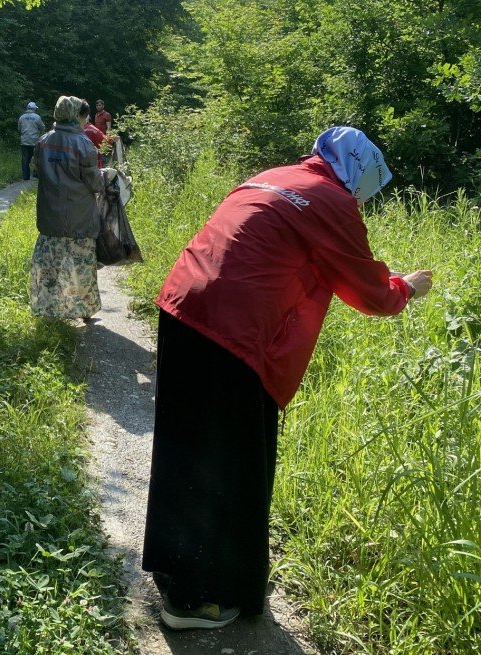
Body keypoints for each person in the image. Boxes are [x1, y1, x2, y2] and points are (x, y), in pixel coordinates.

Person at [141, 126, 433, 630]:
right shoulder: (331, 201)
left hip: (184, 308)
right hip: (233, 333)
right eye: (370, 181)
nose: (367, 194)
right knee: (233, 459)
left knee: (185, 444)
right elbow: (369, 292)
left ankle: (177, 573)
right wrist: (404, 287)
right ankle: (197, 600)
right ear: (357, 169)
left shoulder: (274, 177)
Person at [29, 96, 117, 320]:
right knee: (80, 267)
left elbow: (37, 170)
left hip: (50, 217)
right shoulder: (83, 144)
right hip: (79, 218)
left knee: (51, 267)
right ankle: (83, 310)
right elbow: (95, 184)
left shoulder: (43, 141)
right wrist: (106, 175)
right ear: (75, 115)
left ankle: (49, 311)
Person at [18, 101, 45, 181]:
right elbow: (42, 128)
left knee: (25, 158)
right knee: (36, 157)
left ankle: (25, 176)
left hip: (24, 141)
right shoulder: (37, 117)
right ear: (34, 109)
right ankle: (35, 174)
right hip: (34, 141)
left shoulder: (21, 117)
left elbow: (19, 129)